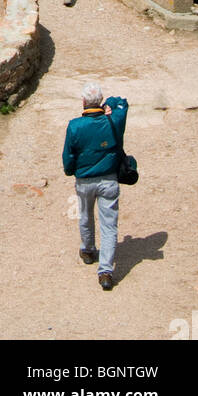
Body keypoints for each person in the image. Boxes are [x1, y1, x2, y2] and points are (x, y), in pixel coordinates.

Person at [62, 83, 128, 289]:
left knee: (85, 215)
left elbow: (68, 157)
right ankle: (106, 271)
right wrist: (109, 104)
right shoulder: (113, 121)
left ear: (83, 102)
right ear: (99, 101)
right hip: (108, 180)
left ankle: (88, 250)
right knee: (109, 225)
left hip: (84, 181)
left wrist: (70, 170)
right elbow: (122, 103)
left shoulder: (74, 126)